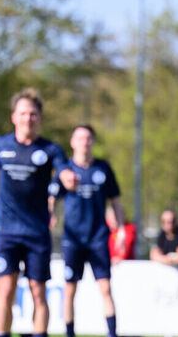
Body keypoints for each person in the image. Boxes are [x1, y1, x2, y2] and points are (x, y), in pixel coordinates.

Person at [0, 88, 71, 337]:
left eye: (32, 114)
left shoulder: (51, 150)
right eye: (23, 113)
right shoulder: (0, 144)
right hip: (6, 230)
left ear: (39, 118)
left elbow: (63, 171)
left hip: (36, 231)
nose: (27, 118)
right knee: (6, 288)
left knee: (38, 291)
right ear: (14, 117)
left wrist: (68, 178)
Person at [48, 124, 123, 337]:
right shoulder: (66, 170)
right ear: (72, 142)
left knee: (106, 288)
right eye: (80, 138)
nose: (84, 142)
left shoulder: (103, 169)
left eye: (88, 138)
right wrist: (50, 214)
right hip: (73, 239)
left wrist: (120, 232)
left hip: (98, 238)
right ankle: (69, 333)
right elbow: (52, 196)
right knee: (70, 289)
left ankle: (111, 333)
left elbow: (115, 201)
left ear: (93, 142)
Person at [149, 209, 178, 332]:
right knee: (166, 303)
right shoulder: (162, 235)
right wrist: (169, 258)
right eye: (165, 222)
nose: (168, 225)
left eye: (171, 221)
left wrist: (164, 259)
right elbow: (154, 254)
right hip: (169, 279)